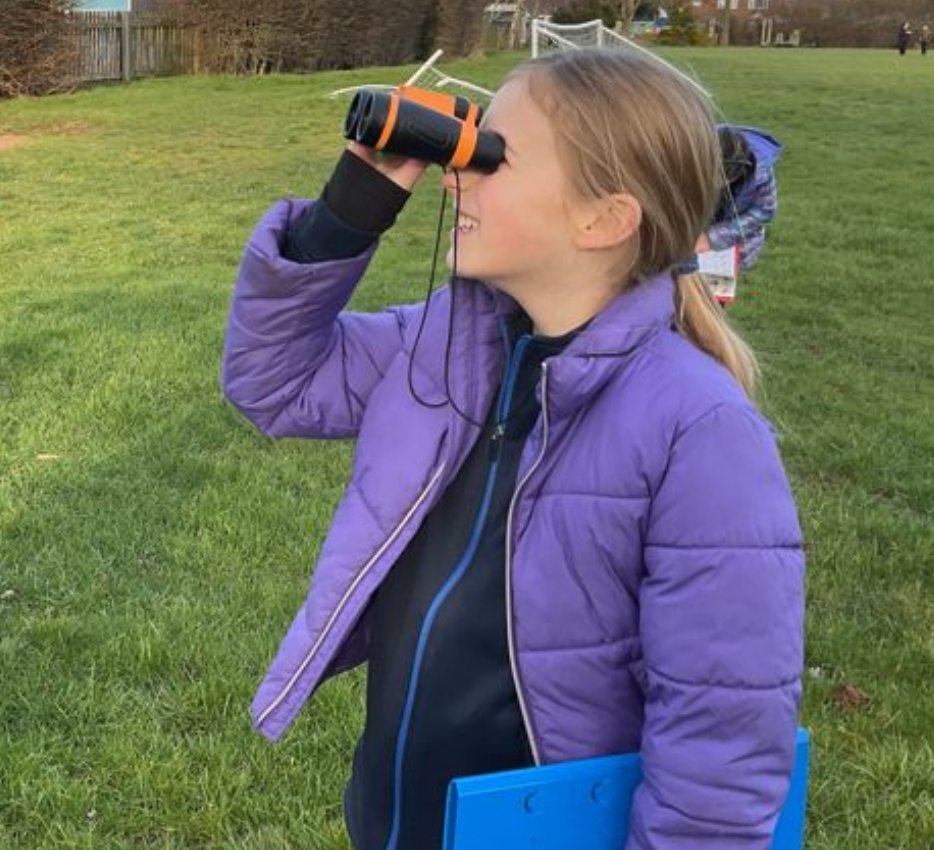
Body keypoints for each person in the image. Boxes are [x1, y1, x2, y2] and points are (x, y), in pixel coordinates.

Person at [222, 48, 804, 850]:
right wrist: (351, 204)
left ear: (602, 219)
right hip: (403, 816)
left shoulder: (696, 428)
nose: (456, 174)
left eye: (491, 157)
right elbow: (274, 381)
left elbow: (720, 742)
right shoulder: (448, 344)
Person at [678, 123, 782, 304]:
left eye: (726, 177)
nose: (719, 183)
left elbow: (765, 211)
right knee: (677, 302)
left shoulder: (761, 173)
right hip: (684, 247)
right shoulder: (687, 160)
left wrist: (712, 237)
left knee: (714, 304)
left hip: (727, 253)